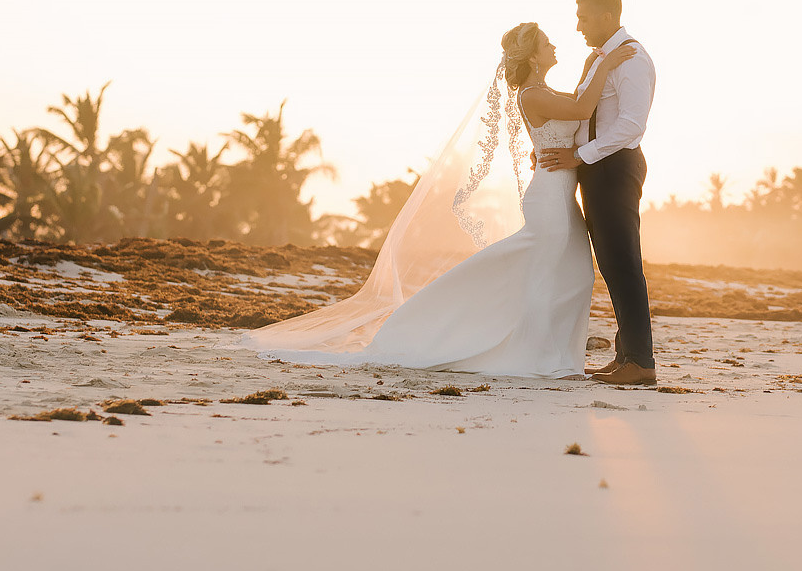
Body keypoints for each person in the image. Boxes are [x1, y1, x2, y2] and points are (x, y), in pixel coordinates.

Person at [245, 22, 638, 378]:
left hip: (563, 198)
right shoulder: (532, 94)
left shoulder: (548, 91)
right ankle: (536, 356)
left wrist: (594, 67)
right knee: (542, 273)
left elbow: (580, 114)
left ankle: (556, 355)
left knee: (576, 275)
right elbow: (583, 107)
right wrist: (605, 63)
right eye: (547, 42)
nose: (554, 45)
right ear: (533, 54)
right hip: (548, 199)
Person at [535, 0, 657, 385]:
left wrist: (580, 157)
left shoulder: (633, 59)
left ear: (607, 17)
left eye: (583, 18)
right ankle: (626, 357)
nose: (577, 26)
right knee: (611, 264)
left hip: (615, 166)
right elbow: (582, 111)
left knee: (624, 264)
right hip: (596, 167)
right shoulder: (599, 59)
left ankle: (641, 362)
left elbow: (629, 126)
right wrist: (554, 149)